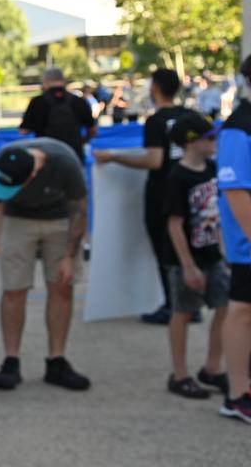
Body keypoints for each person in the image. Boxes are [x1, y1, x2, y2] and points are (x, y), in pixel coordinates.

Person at [0, 138, 91, 391]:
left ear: (32, 176)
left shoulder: (65, 161)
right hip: (17, 220)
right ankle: (11, 360)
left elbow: (80, 211)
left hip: (59, 219)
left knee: (62, 286)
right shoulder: (1, 161)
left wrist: (68, 256)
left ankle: (57, 360)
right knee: (13, 288)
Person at [93, 68, 200, 324]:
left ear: (155, 88)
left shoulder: (156, 121)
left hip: (163, 194)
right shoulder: (190, 116)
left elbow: (154, 160)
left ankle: (175, 305)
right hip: (190, 191)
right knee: (187, 247)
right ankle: (191, 304)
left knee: (166, 250)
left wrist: (114, 157)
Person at [161, 114, 230, 400]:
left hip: (213, 254)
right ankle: (180, 374)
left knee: (226, 306)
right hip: (185, 259)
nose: (215, 142)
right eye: (210, 137)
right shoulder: (178, 177)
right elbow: (174, 224)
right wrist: (188, 265)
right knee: (183, 312)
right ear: (192, 142)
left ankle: (212, 368)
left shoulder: (213, 169)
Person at [215, 54, 251, 423]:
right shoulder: (238, 127)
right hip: (246, 248)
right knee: (242, 312)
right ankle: (238, 393)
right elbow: (236, 190)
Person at [19, 67, 97, 158]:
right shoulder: (78, 101)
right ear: (63, 81)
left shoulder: (37, 102)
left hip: (46, 156)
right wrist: (83, 140)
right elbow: (93, 129)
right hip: (73, 154)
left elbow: (24, 130)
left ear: (45, 82)